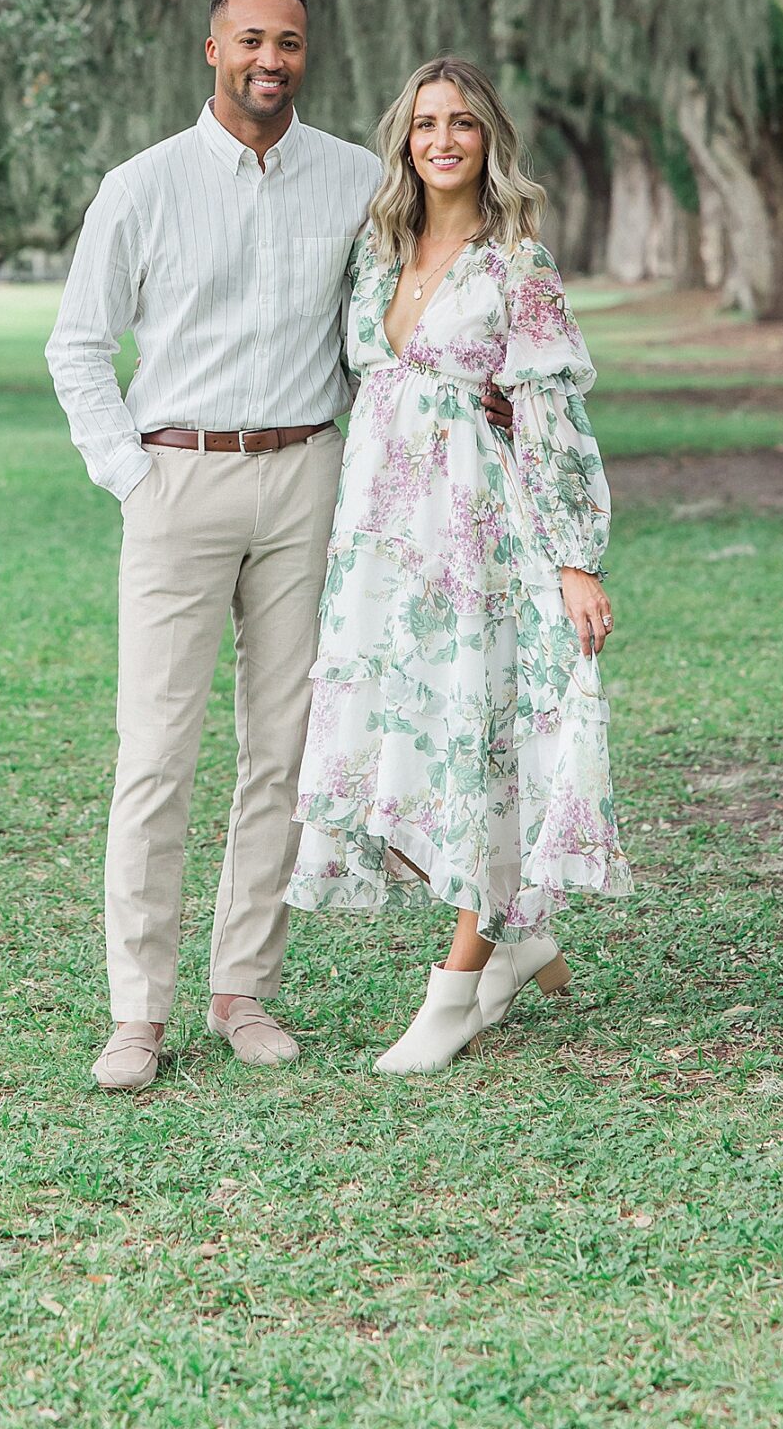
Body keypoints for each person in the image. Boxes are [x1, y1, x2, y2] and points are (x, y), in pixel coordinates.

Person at [46, 0, 383, 1094]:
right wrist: (130, 478)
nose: (271, 61)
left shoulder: (356, 178)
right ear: (211, 49)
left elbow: (399, 314)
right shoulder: (141, 187)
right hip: (177, 481)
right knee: (156, 755)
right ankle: (136, 1013)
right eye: (251, 40)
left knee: (281, 752)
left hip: (306, 477)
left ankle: (244, 989)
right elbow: (78, 345)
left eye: (289, 42)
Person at [286, 56, 630, 1073]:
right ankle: (517, 937)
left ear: (489, 141)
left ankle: (454, 991)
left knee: (479, 743)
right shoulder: (376, 252)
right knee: (399, 737)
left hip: (481, 534)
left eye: (463, 124)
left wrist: (576, 558)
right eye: (426, 123)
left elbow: (555, 413)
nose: (443, 139)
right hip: (383, 544)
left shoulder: (516, 262)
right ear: (404, 140)